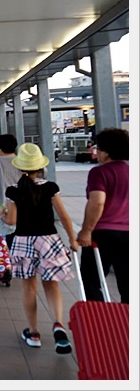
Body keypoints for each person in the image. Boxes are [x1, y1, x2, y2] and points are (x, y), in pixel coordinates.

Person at [3, 143, 77, 354]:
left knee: (29, 287)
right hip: (49, 240)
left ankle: (34, 332)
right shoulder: (50, 187)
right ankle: (58, 325)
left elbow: (11, 221)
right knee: (51, 285)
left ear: (20, 168)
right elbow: (63, 216)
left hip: (24, 242)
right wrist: (72, 239)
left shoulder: (13, 191)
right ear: (40, 167)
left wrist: (0, 213)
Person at [76, 127, 129, 304]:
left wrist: (86, 231)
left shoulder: (100, 172)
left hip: (103, 235)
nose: (96, 152)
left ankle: (100, 322)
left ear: (106, 152)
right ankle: (127, 325)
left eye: (98, 148)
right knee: (128, 284)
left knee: (91, 281)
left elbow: (97, 201)